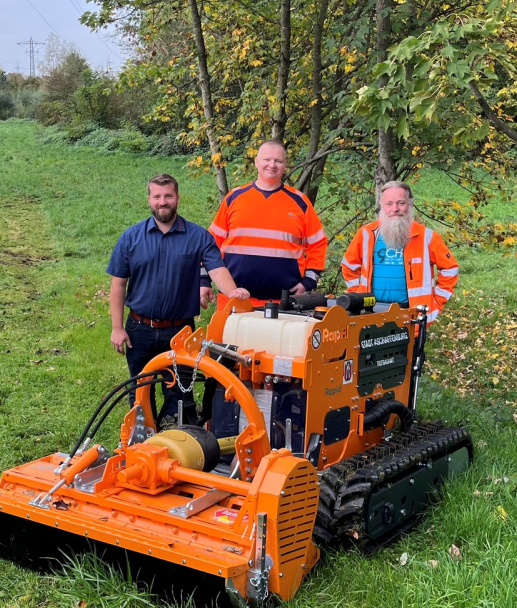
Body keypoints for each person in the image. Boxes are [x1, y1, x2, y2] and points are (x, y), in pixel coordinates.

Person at [108, 173, 249, 426]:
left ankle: (177, 444)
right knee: (140, 392)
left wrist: (233, 291)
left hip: (180, 333)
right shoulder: (130, 238)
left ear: (177, 198)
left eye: (168, 196)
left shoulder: (198, 237)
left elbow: (217, 270)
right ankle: (143, 440)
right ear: (149, 199)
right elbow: (118, 284)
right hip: (138, 330)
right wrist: (117, 328)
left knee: (180, 394)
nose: (163, 202)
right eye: (157, 196)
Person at [203, 140, 327, 308]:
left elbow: (317, 243)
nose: (272, 165)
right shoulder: (235, 198)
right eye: (267, 159)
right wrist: (204, 279)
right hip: (235, 299)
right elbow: (210, 245)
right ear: (256, 162)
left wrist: (309, 281)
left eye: (278, 161)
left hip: (284, 303)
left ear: (285, 165)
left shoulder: (299, 202)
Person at [341, 180, 459, 322]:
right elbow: (349, 265)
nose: (395, 208)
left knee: (409, 345)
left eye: (401, 203)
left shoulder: (427, 237)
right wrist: (357, 296)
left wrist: (437, 302)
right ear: (381, 205)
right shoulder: (367, 233)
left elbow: (450, 269)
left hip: (411, 314)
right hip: (370, 313)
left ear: (409, 204)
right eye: (389, 204)